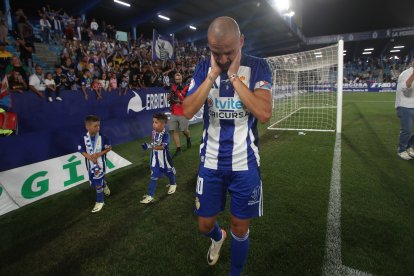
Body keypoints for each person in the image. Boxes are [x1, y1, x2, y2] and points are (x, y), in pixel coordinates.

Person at [183, 16, 272, 276]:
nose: (222, 60)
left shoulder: (258, 67)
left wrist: (233, 77)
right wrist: (212, 75)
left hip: (245, 163)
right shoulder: (203, 68)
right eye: (216, 53)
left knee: (240, 228)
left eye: (229, 53)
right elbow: (187, 111)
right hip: (210, 162)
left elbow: (264, 112)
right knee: (204, 224)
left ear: (241, 41)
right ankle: (217, 236)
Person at [140, 113, 177, 204]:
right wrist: (148, 145)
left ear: (163, 124)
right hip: (155, 157)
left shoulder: (166, 134)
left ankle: (173, 184)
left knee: (168, 172)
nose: (153, 124)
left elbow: (162, 147)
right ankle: (150, 195)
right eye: (153, 122)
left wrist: (149, 147)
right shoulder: (154, 132)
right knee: (153, 175)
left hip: (164, 158)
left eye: (156, 122)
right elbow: (154, 144)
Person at [78, 115, 112, 213]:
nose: (98, 128)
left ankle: (100, 201)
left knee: (97, 184)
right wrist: (90, 157)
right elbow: (81, 150)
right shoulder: (83, 138)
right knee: (94, 183)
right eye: (95, 126)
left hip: (100, 164)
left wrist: (99, 154)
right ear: (87, 127)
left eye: (99, 125)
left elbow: (109, 148)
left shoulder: (103, 137)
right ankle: (104, 184)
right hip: (90, 164)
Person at [168, 72, 191, 157]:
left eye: (179, 79)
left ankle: (188, 138)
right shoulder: (173, 87)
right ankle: (178, 149)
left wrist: (180, 101)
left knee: (184, 130)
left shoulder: (187, 87)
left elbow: (189, 100)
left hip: (183, 112)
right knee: (174, 131)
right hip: (174, 112)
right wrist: (169, 97)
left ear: (182, 78)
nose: (177, 80)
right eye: (176, 79)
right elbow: (170, 96)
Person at [395, 61, 414, 160]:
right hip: (404, 105)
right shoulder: (405, 74)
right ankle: (401, 150)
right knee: (406, 130)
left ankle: (409, 146)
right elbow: (406, 91)